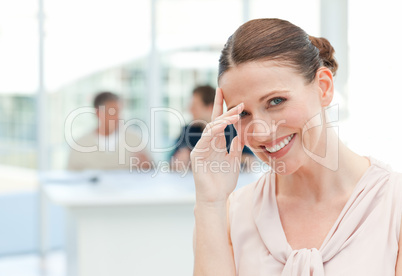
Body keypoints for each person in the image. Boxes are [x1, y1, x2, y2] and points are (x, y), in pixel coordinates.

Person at [191, 18, 402, 275]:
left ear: (323, 88)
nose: (262, 131)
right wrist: (210, 201)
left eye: (276, 101)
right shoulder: (231, 213)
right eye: (243, 114)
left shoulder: (394, 204)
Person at [170, 85, 254, 171]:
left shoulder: (232, 130)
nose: (190, 110)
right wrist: (179, 161)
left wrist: (213, 161)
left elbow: (251, 160)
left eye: (194, 106)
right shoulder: (188, 130)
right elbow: (171, 162)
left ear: (210, 107)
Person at [67, 91, 151, 171]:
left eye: (119, 112)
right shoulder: (81, 144)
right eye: (112, 112)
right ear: (98, 113)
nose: (117, 117)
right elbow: (70, 177)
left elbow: (151, 171)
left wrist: (147, 166)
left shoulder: (133, 140)